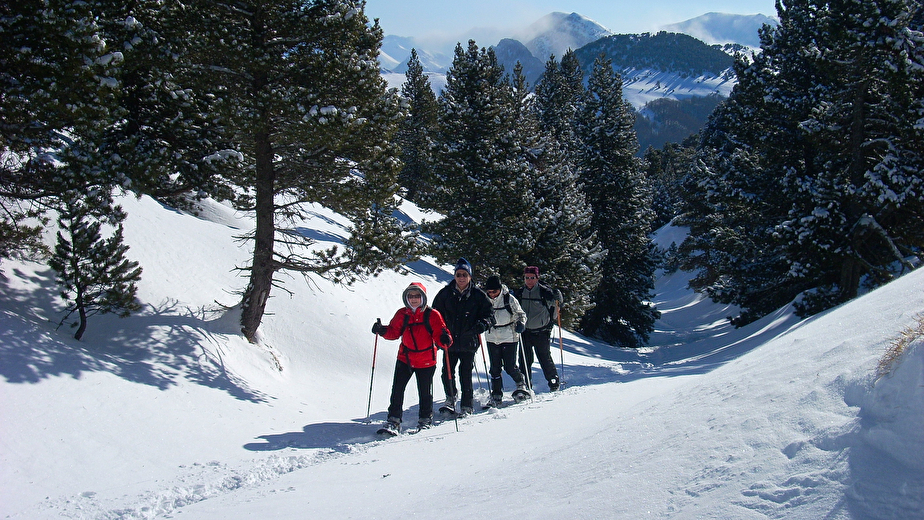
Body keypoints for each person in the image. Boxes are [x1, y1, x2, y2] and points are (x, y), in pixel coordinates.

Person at [372, 282, 452, 435]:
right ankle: (393, 420)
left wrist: (445, 339)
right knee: (397, 390)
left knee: (425, 392)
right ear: (406, 298)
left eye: (417, 296)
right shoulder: (402, 314)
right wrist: (381, 330)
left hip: (426, 359)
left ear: (423, 297)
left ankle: (425, 420)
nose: (414, 299)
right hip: (405, 358)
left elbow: (441, 334)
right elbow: (394, 332)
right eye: (410, 296)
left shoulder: (433, 314)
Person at [432, 258, 493, 416]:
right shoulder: (445, 294)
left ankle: (467, 404)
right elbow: (434, 315)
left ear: (470, 276)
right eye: (458, 274)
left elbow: (489, 314)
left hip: (468, 340)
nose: (461, 277)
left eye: (464, 274)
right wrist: (440, 334)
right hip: (448, 341)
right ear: (454, 275)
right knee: (447, 372)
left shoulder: (478, 295)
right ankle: (450, 398)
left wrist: (482, 324)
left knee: (465, 372)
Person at [482, 275, 529, 407]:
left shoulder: (509, 299)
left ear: (499, 289)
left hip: (510, 336)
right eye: (489, 292)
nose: (491, 294)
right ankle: (496, 393)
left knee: (510, 366)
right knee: (495, 368)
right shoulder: (485, 300)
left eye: (494, 291)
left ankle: (521, 384)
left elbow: (521, 314)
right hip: (492, 336)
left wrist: (521, 323)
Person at [515, 266, 563, 392]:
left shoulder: (545, 292)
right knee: (524, 359)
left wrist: (559, 297)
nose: (529, 280)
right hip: (525, 331)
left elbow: (557, 304)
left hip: (542, 331)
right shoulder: (520, 293)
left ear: (537, 278)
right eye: (527, 278)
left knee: (544, 357)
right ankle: (526, 384)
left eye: (532, 277)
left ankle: (553, 380)